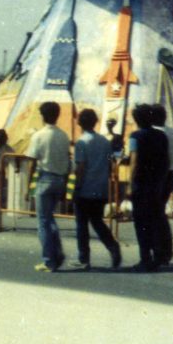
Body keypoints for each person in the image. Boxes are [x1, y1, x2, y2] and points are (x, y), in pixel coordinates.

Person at [71, 108, 121, 270]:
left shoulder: (81, 142)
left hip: (85, 188)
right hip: (100, 188)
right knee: (97, 222)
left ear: (80, 123)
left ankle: (84, 258)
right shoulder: (104, 142)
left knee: (82, 225)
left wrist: (76, 187)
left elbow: (80, 167)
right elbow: (109, 163)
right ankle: (113, 246)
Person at [25, 101, 70, 272]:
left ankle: (49, 259)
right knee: (50, 219)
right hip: (59, 179)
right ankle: (56, 253)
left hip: (44, 179)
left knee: (43, 221)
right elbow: (67, 162)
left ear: (42, 116)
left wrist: (28, 186)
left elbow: (32, 163)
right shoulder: (64, 136)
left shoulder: (38, 136)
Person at [127, 103, 169, 271]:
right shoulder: (161, 136)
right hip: (156, 184)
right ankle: (158, 255)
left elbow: (134, 161)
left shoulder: (135, 136)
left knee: (141, 223)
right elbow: (165, 160)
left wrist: (130, 185)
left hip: (141, 184)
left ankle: (145, 258)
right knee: (155, 220)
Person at [151, 104, 173, 264]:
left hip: (156, 175)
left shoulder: (154, 134)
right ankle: (165, 250)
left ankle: (161, 251)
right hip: (171, 173)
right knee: (159, 212)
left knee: (154, 214)